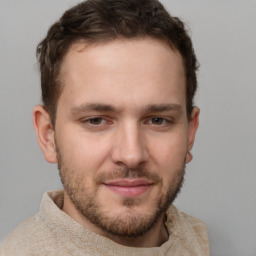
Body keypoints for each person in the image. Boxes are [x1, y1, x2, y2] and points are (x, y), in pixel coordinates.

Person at [0, 0, 210, 255]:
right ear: (48, 136)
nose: (131, 155)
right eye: (96, 120)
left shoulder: (196, 238)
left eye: (157, 120)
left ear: (190, 133)